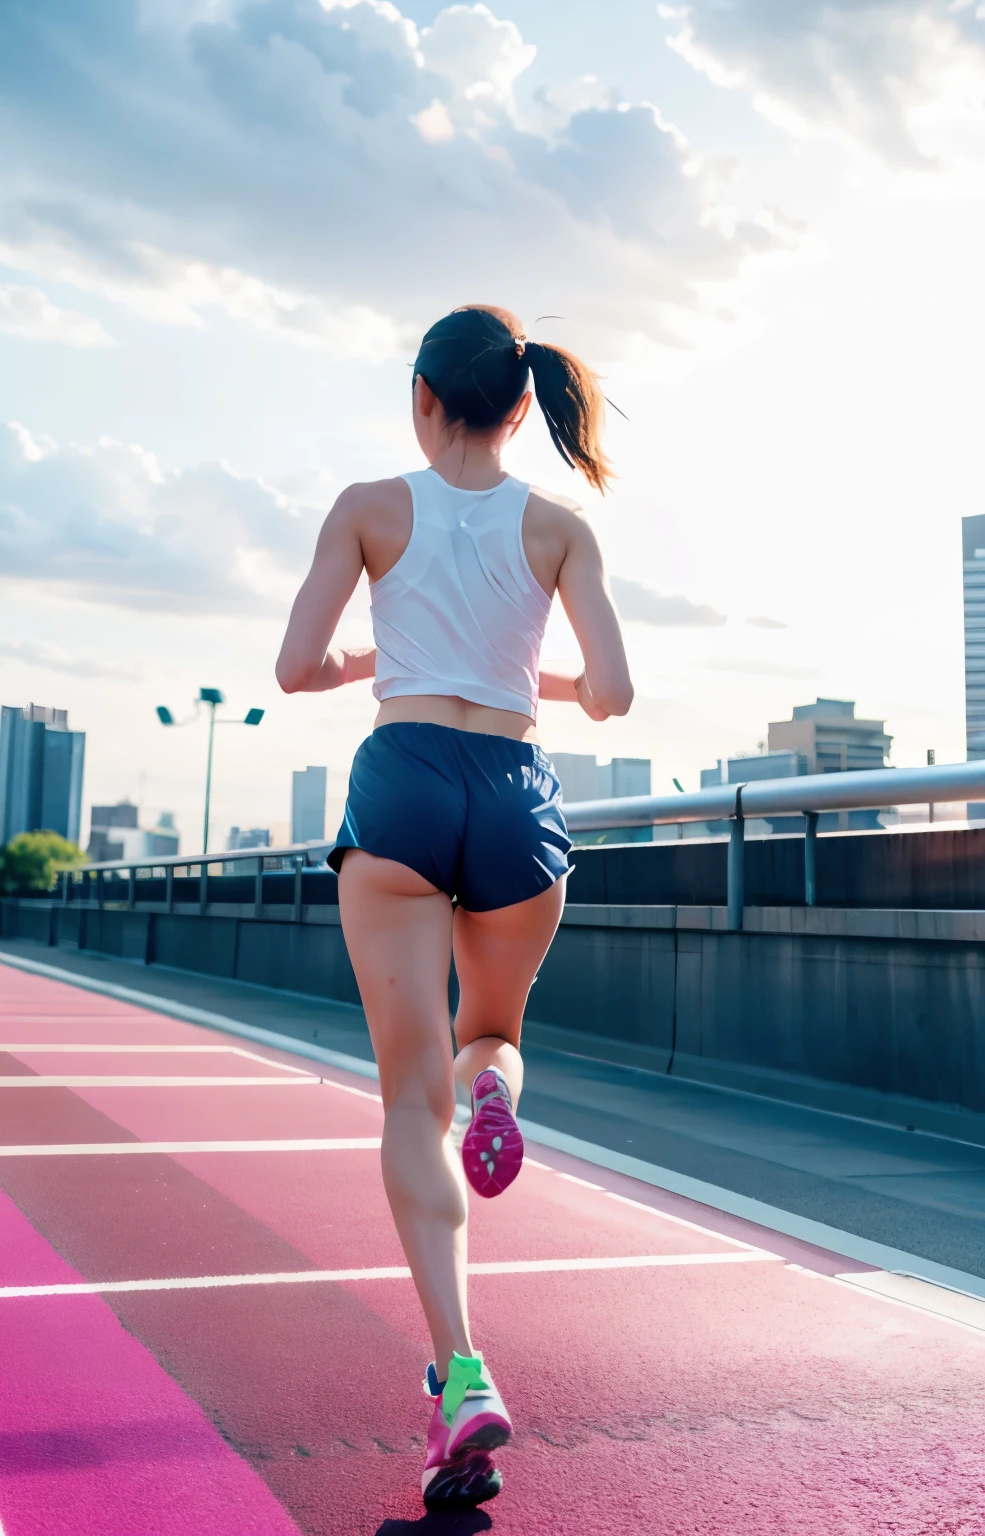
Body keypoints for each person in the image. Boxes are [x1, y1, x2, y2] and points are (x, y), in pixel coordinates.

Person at [275, 305, 632, 1511]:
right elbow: (615, 695)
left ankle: (461, 1373)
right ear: (523, 405)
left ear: (420, 395)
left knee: (405, 1099)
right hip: (520, 791)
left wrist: (368, 663)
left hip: (405, 781)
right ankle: (498, 1090)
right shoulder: (556, 527)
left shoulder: (371, 507)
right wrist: (534, 676)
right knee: (494, 1041)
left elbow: (293, 666)